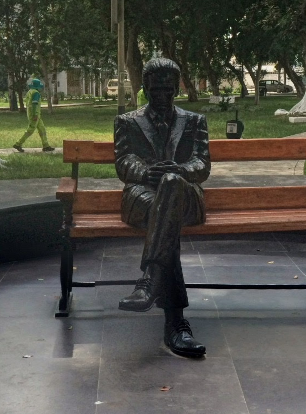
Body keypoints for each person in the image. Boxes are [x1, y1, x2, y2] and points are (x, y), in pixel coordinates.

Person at [114, 58, 211, 358]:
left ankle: (149, 280)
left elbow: (202, 164)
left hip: (186, 197)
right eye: (156, 89)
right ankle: (176, 324)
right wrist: (144, 173)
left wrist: (181, 171)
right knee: (167, 223)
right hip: (142, 196)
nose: (163, 95)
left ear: (176, 88)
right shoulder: (127, 121)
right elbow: (123, 161)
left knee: (170, 188)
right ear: (145, 87)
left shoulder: (194, 121)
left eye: (169, 89)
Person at [13, 78, 54, 152]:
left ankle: (46, 145)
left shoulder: (29, 92)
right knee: (30, 130)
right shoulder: (36, 93)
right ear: (37, 86)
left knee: (42, 129)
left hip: (32, 114)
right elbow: (35, 104)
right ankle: (18, 144)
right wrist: (35, 114)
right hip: (35, 115)